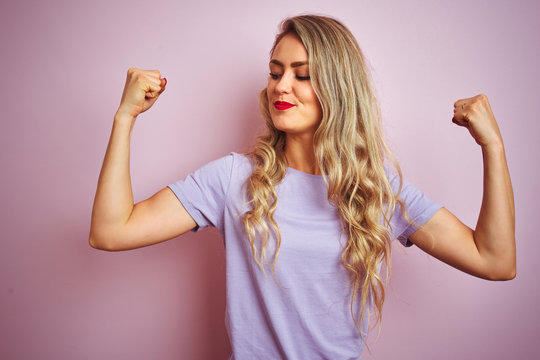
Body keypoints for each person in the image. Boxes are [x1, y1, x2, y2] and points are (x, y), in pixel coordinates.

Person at [89, 14, 515, 360]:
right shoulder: (233, 179)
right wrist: (124, 119)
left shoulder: (375, 188)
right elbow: (111, 231)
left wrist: (492, 145)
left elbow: (495, 261)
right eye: (275, 73)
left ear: (337, 87)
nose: (281, 86)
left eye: (302, 74)